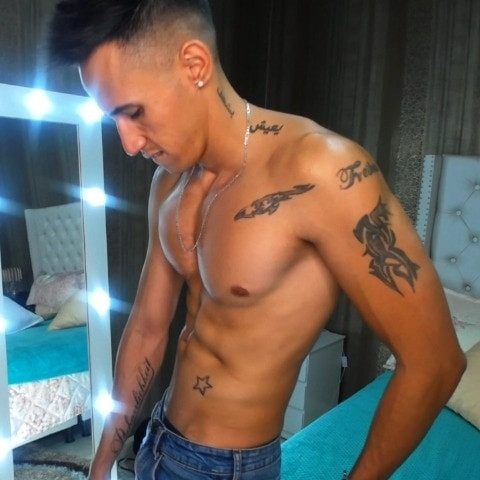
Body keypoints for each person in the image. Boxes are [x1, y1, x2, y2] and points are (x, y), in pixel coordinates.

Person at [47, 1, 465, 479]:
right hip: (157, 440)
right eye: (114, 120)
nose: (129, 143)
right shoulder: (168, 182)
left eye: (134, 112)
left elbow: (435, 362)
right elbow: (147, 327)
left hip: (230, 467)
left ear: (194, 65)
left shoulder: (321, 170)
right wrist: (104, 458)